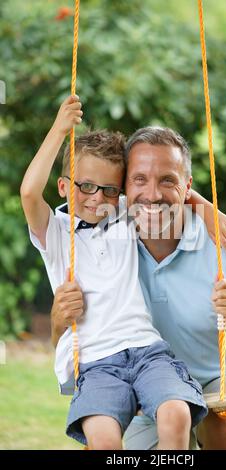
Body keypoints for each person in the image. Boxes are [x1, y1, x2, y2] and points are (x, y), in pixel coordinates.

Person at [51, 125, 226, 450]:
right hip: (145, 381)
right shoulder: (105, 237)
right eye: (139, 180)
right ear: (122, 189)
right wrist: (57, 320)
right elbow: (67, 340)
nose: (152, 194)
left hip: (223, 376)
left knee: (221, 426)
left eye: (168, 180)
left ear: (187, 185)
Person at [20, 95, 211, 450]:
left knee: (176, 415)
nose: (96, 198)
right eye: (85, 185)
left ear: (120, 192)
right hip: (95, 363)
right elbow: (30, 192)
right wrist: (60, 130)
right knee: (104, 440)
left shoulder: (124, 215)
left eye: (109, 189)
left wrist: (209, 209)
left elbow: (165, 187)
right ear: (64, 186)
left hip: (147, 349)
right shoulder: (56, 234)